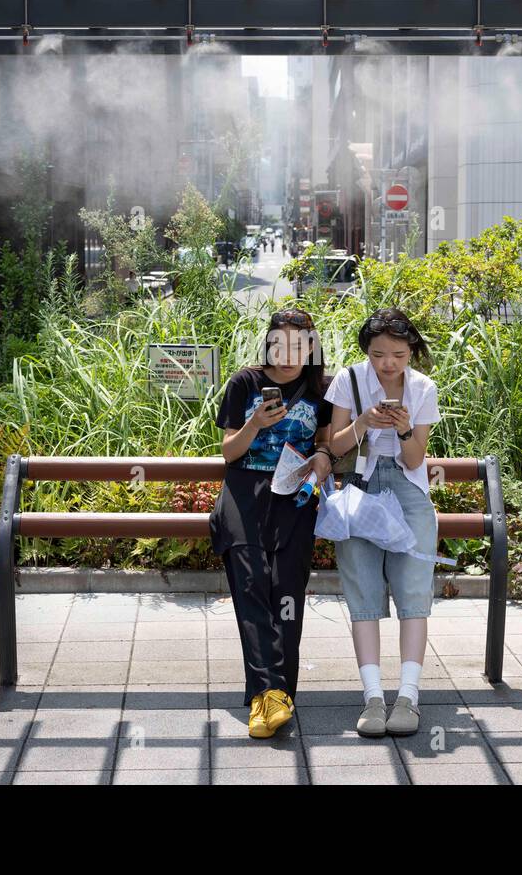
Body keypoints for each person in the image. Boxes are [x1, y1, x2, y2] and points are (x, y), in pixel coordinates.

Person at [209, 309, 334, 739]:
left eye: (298, 347)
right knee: (251, 588)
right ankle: (271, 693)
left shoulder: (321, 390)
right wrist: (254, 424)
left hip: (293, 495)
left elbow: (324, 443)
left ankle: (274, 695)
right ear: (267, 345)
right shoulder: (245, 383)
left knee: (287, 592)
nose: (287, 356)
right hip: (244, 494)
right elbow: (228, 452)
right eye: (278, 345)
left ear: (311, 348)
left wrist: (323, 455)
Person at [324, 307, 441, 738]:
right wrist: (362, 423)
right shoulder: (349, 380)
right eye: (377, 354)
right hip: (360, 488)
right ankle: (373, 697)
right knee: (363, 594)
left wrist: (407, 430)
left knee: (413, 594)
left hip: (408, 493)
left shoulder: (423, 388)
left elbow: (415, 461)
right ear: (366, 352)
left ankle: (407, 697)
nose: (387, 363)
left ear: (411, 350)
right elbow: (335, 447)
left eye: (397, 353)